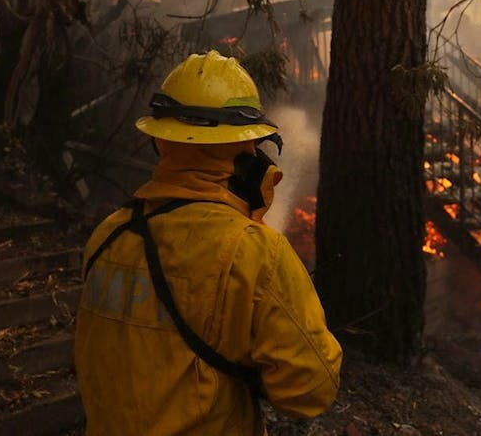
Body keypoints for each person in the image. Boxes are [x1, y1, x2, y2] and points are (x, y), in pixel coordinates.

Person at [74, 51, 342, 435]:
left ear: (161, 142)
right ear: (245, 151)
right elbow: (310, 390)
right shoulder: (255, 253)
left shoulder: (109, 235)